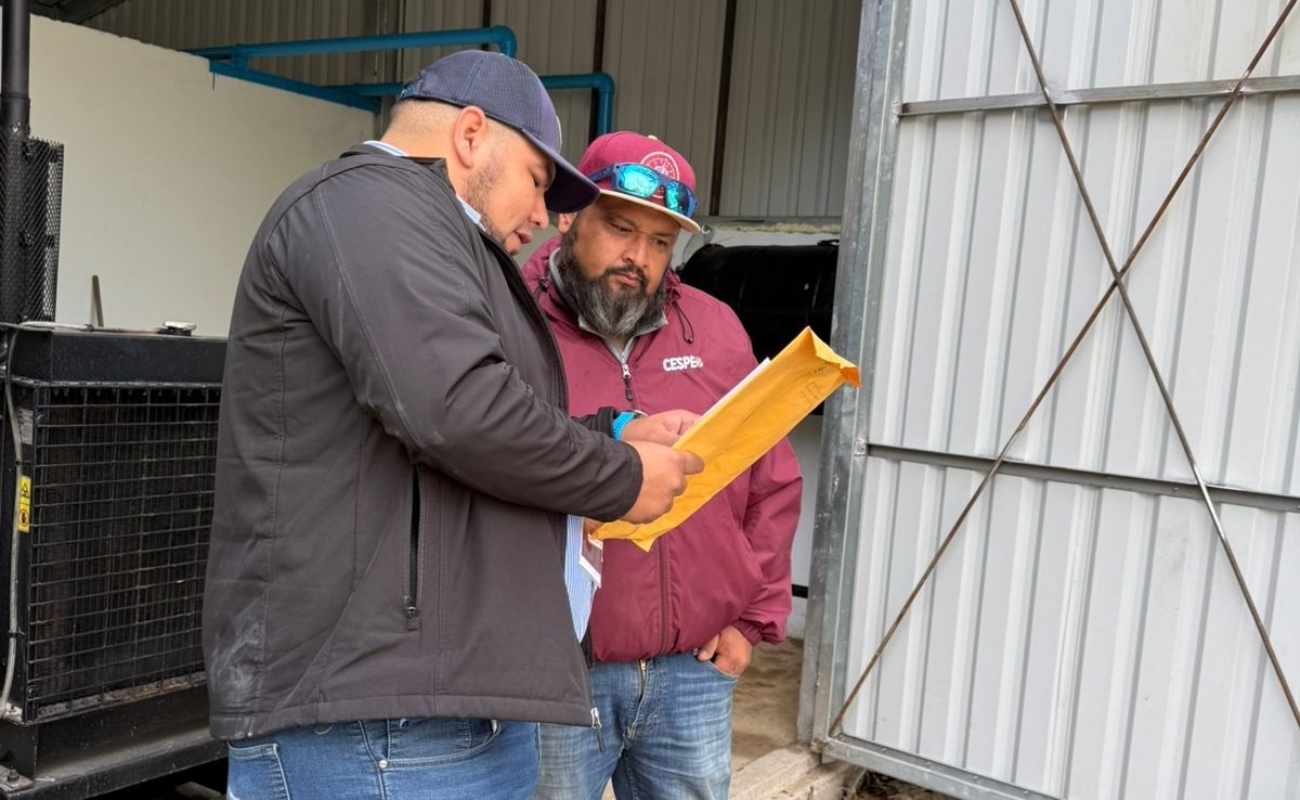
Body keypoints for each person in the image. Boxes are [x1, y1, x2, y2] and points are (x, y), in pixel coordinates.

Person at [202, 53, 703, 800]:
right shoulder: (368, 203)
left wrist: (610, 431)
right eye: (538, 180)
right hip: (377, 724)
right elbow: (456, 410)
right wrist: (620, 477)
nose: (543, 216)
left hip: (424, 712)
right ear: (470, 134)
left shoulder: (422, 227)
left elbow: (466, 414)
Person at [525, 131, 803, 799]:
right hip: (554, 674)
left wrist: (753, 621)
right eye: (620, 228)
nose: (638, 258)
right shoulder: (511, 320)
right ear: (570, 215)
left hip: (691, 673)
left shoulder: (715, 330)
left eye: (659, 242)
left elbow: (771, 481)